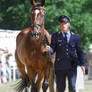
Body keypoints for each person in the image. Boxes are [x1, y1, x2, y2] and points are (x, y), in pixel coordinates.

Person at [42, 15, 86, 92]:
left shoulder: (76, 37)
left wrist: (82, 64)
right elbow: (53, 49)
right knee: (60, 88)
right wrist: (48, 49)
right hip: (60, 67)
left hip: (72, 66)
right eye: (61, 24)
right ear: (60, 25)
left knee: (72, 87)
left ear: (69, 24)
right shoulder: (55, 36)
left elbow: (80, 52)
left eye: (65, 23)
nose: (63, 25)